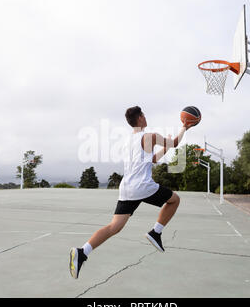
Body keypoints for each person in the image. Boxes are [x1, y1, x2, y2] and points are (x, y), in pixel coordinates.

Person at [69, 105, 193, 279]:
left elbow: (154, 159)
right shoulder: (150, 136)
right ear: (140, 118)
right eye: (144, 114)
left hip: (127, 188)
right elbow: (174, 143)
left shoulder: (129, 141)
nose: (145, 116)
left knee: (114, 227)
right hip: (142, 186)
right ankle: (155, 232)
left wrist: (167, 147)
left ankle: (82, 252)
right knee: (174, 200)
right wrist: (184, 127)